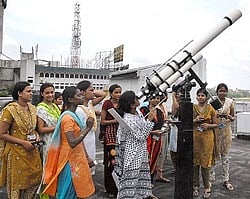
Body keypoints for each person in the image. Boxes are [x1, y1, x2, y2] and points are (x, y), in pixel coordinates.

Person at [43, 86, 95, 199]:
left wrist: (86, 157)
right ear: (71, 99)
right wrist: (87, 128)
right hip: (69, 159)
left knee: (76, 190)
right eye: (78, 95)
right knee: (68, 191)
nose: (82, 96)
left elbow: (79, 141)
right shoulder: (67, 118)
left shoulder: (73, 115)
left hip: (76, 157)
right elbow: (72, 142)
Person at [0, 81, 42, 199]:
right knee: (17, 187)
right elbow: (1, 133)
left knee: (33, 183)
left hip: (32, 151)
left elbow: (32, 128)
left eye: (32, 91)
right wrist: (23, 142)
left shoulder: (32, 109)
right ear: (19, 93)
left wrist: (36, 134)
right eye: (28, 91)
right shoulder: (10, 110)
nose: (31, 93)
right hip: (16, 153)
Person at [114, 91, 154, 199]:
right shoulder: (127, 119)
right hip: (132, 153)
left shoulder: (137, 113)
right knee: (130, 178)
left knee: (140, 177)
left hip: (140, 151)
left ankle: (140, 196)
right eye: (136, 98)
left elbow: (142, 128)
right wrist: (150, 121)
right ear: (131, 105)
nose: (138, 99)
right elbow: (140, 136)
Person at [76, 80, 107, 175]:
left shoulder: (90, 104)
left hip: (91, 138)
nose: (93, 92)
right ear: (82, 92)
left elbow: (103, 94)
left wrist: (91, 91)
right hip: (84, 139)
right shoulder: (78, 109)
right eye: (91, 90)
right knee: (82, 168)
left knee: (90, 167)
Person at [193, 88, 218, 198]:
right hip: (195, 137)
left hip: (207, 138)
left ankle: (207, 187)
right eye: (199, 95)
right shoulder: (192, 108)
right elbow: (187, 122)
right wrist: (195, 120)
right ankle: (195, 186)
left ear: (206, 97)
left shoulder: (211, 108)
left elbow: (216, 124)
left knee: (205, 164)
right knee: (195, 163)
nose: (200, 97)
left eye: (202, 95)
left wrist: (208, 126)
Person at [210, 83, 235, 191]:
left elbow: (233, 117)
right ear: (217, 92)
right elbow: (209, 116)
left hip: (226, 131)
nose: (222, 93)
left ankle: (226, 179)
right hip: (215, 131)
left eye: (224, 91)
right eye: (220, 91)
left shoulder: (230, 102)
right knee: (213, 157)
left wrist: (229, 116)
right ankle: (210, 180)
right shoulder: (212, 102)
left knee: (225, 157)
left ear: (227, 92)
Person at [100, 84, 122, 198]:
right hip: (110, 135)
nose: (118, 95)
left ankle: (119, 186)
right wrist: (115, 120)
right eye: (116, 92)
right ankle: (110, 188)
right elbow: (102, 121)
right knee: (111, 162)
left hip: (121, 135)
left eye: (119, 92)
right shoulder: (107, 104)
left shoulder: (122, 104)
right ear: (111, 93)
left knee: (120, 161)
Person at [140, 93, 165, 190]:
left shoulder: (159, 112)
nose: (156, 100)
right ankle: (143, 180)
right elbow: (141, 126)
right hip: (147, 138)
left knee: (155, 157)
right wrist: (153, 132)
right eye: (153, 98)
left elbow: (161, 124)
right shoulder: (144, 110)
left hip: (157, 138)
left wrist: (162, 130)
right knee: (147, 159)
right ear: (149, 99)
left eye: (158, 98)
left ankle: (150, 179)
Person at [37, 83, 61, 166]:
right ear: (42, 94)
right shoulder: (40, 108)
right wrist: (58, 127)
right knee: (50, 165)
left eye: (52, 92)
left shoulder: (55, 106)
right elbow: (41, 129)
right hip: (48, 141)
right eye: (47, 93)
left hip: (59, 140)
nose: (50, 95)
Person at [155, 92, 171, 183]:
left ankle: (159, 172)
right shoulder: (155, 108)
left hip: (164, 131)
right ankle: (156, 172)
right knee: (158, 152)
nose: (165, 98)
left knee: (163, 152)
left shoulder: (163, 106)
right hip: (157, 133)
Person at [168, 91, 180, 174]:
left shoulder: (182, 104)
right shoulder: (175, 102)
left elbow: (176, 108)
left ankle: (179, 168)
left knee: (178, 149)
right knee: (172, 149)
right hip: (174, 127)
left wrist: (173, 97)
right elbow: (173, 112)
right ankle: (175, 167)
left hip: (180, 128)